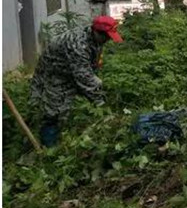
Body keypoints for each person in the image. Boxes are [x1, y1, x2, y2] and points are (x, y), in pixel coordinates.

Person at [29, 16, 123, 147]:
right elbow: (83, 77)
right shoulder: (78, 44)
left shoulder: (95, 39)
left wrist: (96, 86)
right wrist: (100, 102)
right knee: (54, 110)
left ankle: (66, 127)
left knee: (90, 89)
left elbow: (90, 68)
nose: (108, 40)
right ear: (96, 32)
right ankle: (49, 147)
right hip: (55, 71)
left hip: (71, 68)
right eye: (106, 37)